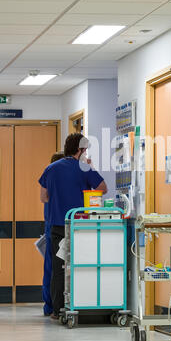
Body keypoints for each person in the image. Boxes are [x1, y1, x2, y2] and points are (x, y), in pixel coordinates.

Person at [39, 133, 107, 319]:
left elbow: (43, 197)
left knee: (58, 267)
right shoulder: (84, 168)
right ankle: (81, 304)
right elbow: (103, 188)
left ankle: (56, 310)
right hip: (79, 226)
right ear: (81, 150)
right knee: (82, 265)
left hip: (57, 226)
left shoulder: (50, 169)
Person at [42, 151, 65, 317]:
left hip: (52, 229)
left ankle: (50, 305)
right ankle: (52, 305)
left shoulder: (51, 183)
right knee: (55, 269)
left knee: (51, 269)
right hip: (55, 230)